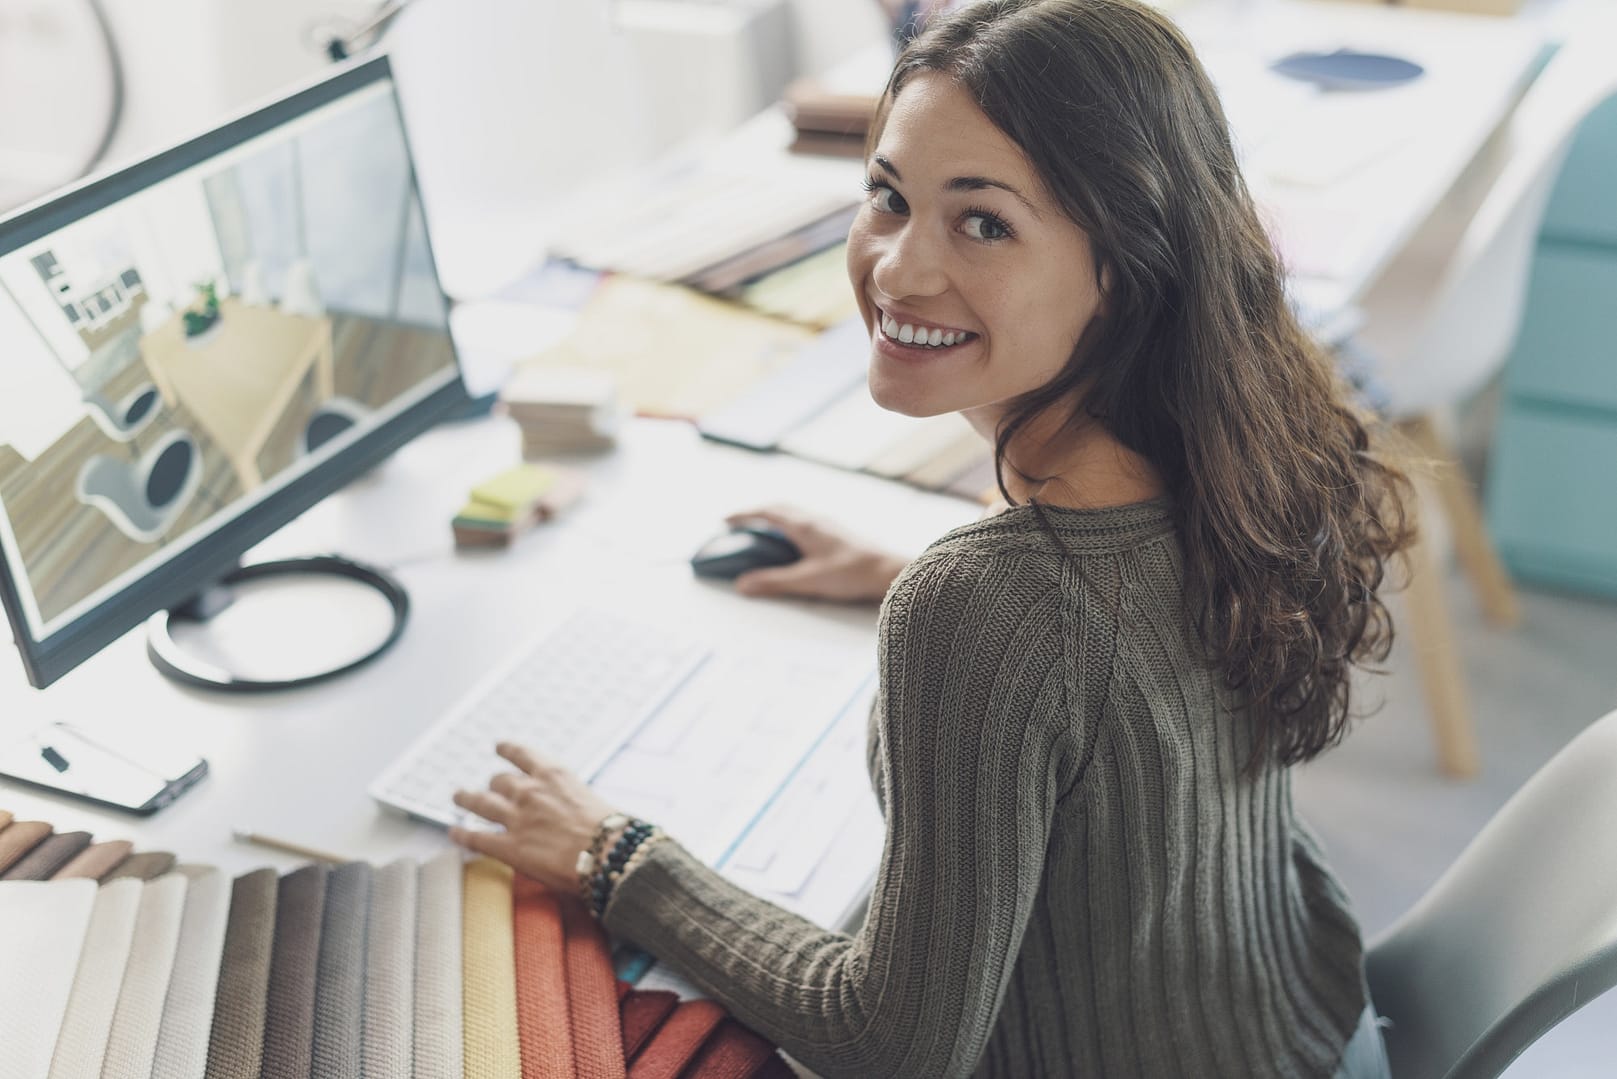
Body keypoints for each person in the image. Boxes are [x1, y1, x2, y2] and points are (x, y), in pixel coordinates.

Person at [449, 1, 1414, 1075]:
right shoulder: (1233, 445)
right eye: (889, 196)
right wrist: (899, 575)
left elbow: (891, 1044)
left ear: (1124, 263)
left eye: (984, 221)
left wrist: (612, 853)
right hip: (1309, 1036)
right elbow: (1114, 667)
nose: (899, 270)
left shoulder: (986, 603)